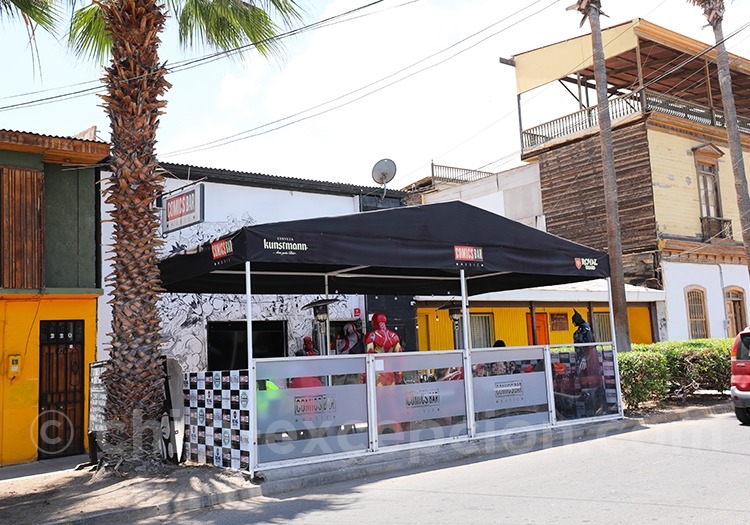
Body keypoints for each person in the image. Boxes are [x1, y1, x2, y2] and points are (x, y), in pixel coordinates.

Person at [364, 312, 403, 386]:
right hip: (390, 370)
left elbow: (369, 354)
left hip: (377, 372)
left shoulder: (372, 336)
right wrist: (399, 374)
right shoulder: (394, 336)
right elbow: (400, 356)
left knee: (377, 393)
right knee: (391, 393)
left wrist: (365, 376)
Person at [571, 309, 603, 390]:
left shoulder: (583, 329)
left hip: (587, 356)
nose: (573, 323)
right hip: (588, 355)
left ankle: (588, 393)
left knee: (586, 377)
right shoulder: (586, 327)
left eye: (573, 321)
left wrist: (583, 358)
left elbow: (584, 344)